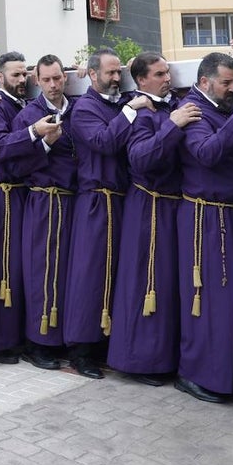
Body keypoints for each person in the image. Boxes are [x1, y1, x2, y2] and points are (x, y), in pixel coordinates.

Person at [176, 52, 233, 410]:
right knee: (208, 303)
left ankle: (231, 374)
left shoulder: (222, 106)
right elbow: (206, 152)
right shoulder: (194, 111)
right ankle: (196, 374)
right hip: (205, 218)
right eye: (226, 83)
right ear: (204, 82)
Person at [107, 52, 198, 385]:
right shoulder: (141, 111)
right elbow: (141, 158)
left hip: (176, 206)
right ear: (141, 80)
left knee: (172, 284)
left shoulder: (176, 103)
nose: (167, 78)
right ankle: (139, 361)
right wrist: (173, 126)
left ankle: (168, 356)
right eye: (159, 74)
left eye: (168, 73)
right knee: (146, 284)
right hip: (149, 207)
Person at [64, 48, 149, 379]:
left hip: (122, 200)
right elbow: (104, 142)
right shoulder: (85, 107)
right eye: (109, 73)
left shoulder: (119, 100)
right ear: (93, 73)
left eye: (119, 73)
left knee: (116, 274)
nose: (116, 78)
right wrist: (129, 110)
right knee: (89, 275)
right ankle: (81, 349)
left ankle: (106, 343)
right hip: (95, 201)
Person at [13, 55, 77, 370]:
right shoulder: (29, 114)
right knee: (42, 270)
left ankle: (61, 337)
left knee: (66, 272)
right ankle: (38, 342)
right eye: (47, 80)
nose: (53, 85)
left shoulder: (76, 107)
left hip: (73, 202)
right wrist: (45, 143)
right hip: (43, 200)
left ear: (65, 77)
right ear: (37, 80)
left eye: (58, 78)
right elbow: (15, 162)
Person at [0, 51, 42, 364]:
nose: (22, 80)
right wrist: (33, 133)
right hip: (1, 196)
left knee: (22, 268)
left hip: (23, 196)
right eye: (16, 75)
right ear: (0, 76)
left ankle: (19, 336)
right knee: (1, 268)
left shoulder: (26, 104)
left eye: (25, 74)